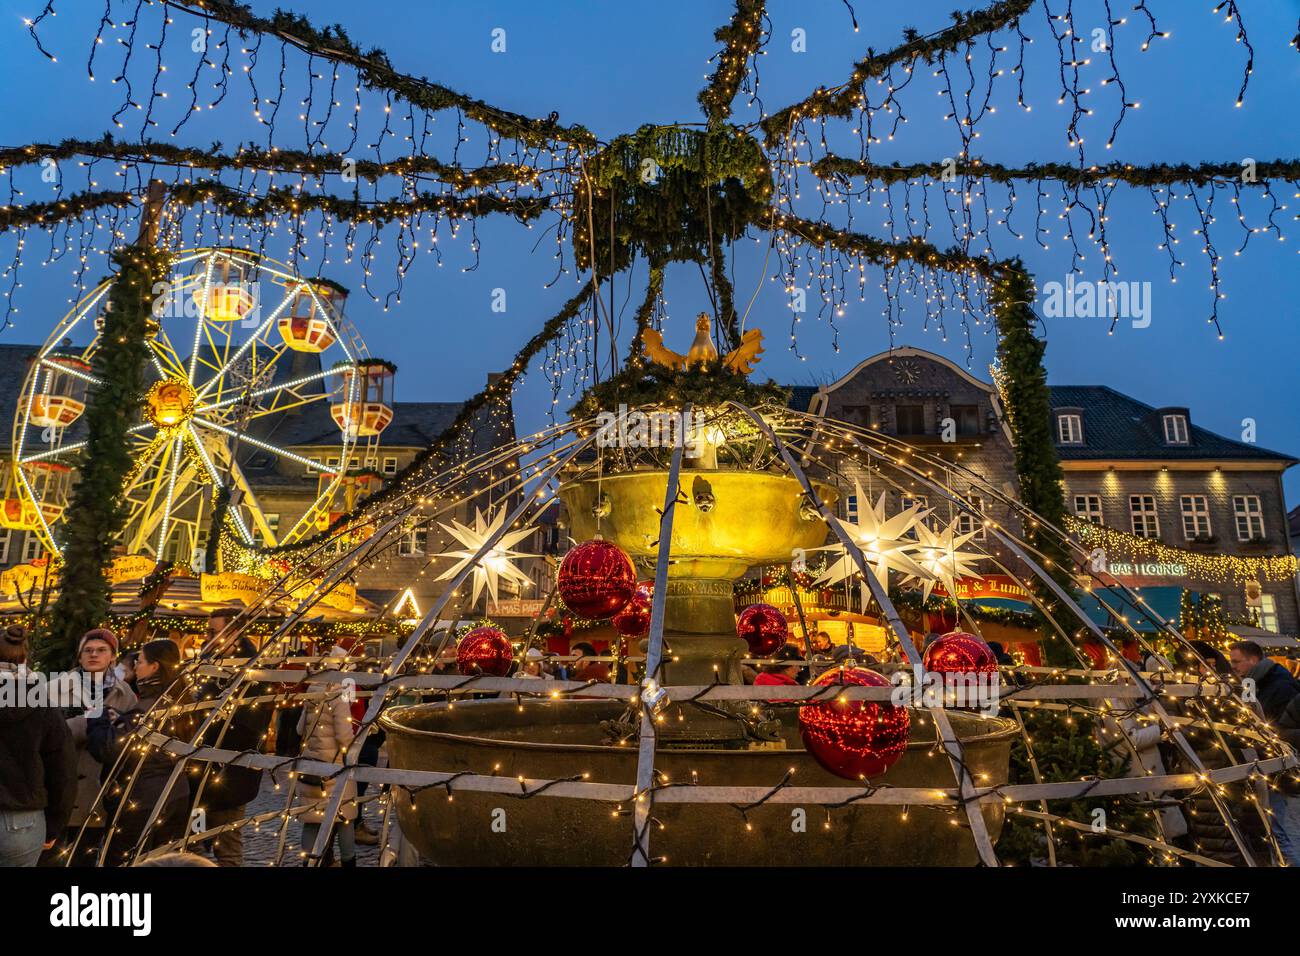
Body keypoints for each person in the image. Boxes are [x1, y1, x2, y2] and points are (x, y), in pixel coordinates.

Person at [88, 639, 192, 866]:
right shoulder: (181, 699)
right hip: (176, 794)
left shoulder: (149, 707)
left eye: (140, 661)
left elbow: (108, 749)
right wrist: (122, 720)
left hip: (142, 799)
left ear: (154, 666)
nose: (136, 666)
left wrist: (98, 716)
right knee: (165, 860)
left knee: (125, 861)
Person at [188, 609, 273, 866]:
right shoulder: (209, 663)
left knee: (227, 850)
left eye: (214, 631)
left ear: (234, 632)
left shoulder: (252, 673)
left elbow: (250, 727)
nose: (207, 636)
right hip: (199, 779)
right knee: (192, 842)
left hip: (228, 780)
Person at [59, 628, 138, 866]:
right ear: (80, 656)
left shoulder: (126, 695)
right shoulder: (58, 689)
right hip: (61, 787)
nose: (94, 655)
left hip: (98, 793)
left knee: (85, 858)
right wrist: (87, 723)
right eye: (88, 650)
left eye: (101, 650)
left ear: (112, 657)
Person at [0, 625, 76, 867]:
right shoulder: (44, 707)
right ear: (25, 659)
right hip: (22, 823)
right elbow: (63, 771)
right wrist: (55, 825)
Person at [1229, 640, 1300, 865]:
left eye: (1237, 662)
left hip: (1282, 770)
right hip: (1268, 767)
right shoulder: (1251, 683)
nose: (1233, 667)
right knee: (1276, 830)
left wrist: (1268, 735)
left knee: (1283, 832)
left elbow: (1284, 730)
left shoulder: (1280, 686)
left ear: (1253, 660)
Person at [295, 643, 358, 866]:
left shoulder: (313, 693)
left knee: (312, 819)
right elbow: (344, 735)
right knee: (345, 819)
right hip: (335, 768)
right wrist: (355, 746)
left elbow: (299, 730)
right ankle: (349, 862)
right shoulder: (338, 695)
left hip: (312, 767)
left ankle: (308, 862)